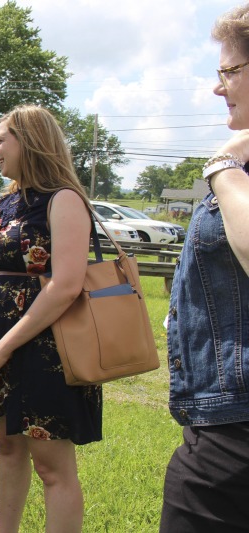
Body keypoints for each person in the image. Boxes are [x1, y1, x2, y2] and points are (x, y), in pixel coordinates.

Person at [0, 105, 102, 533]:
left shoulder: (64, 200)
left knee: (51, 466)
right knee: (6, 447)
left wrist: (3, 348)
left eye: (2, 139)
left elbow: (66, 285)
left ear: (31, 141)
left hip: (46, 349)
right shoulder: (4, 202)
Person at [160, 5, 249, 531]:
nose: (219, 87)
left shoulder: (233, 169)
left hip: (234, 439)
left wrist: (223, 171)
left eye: (230, 71)